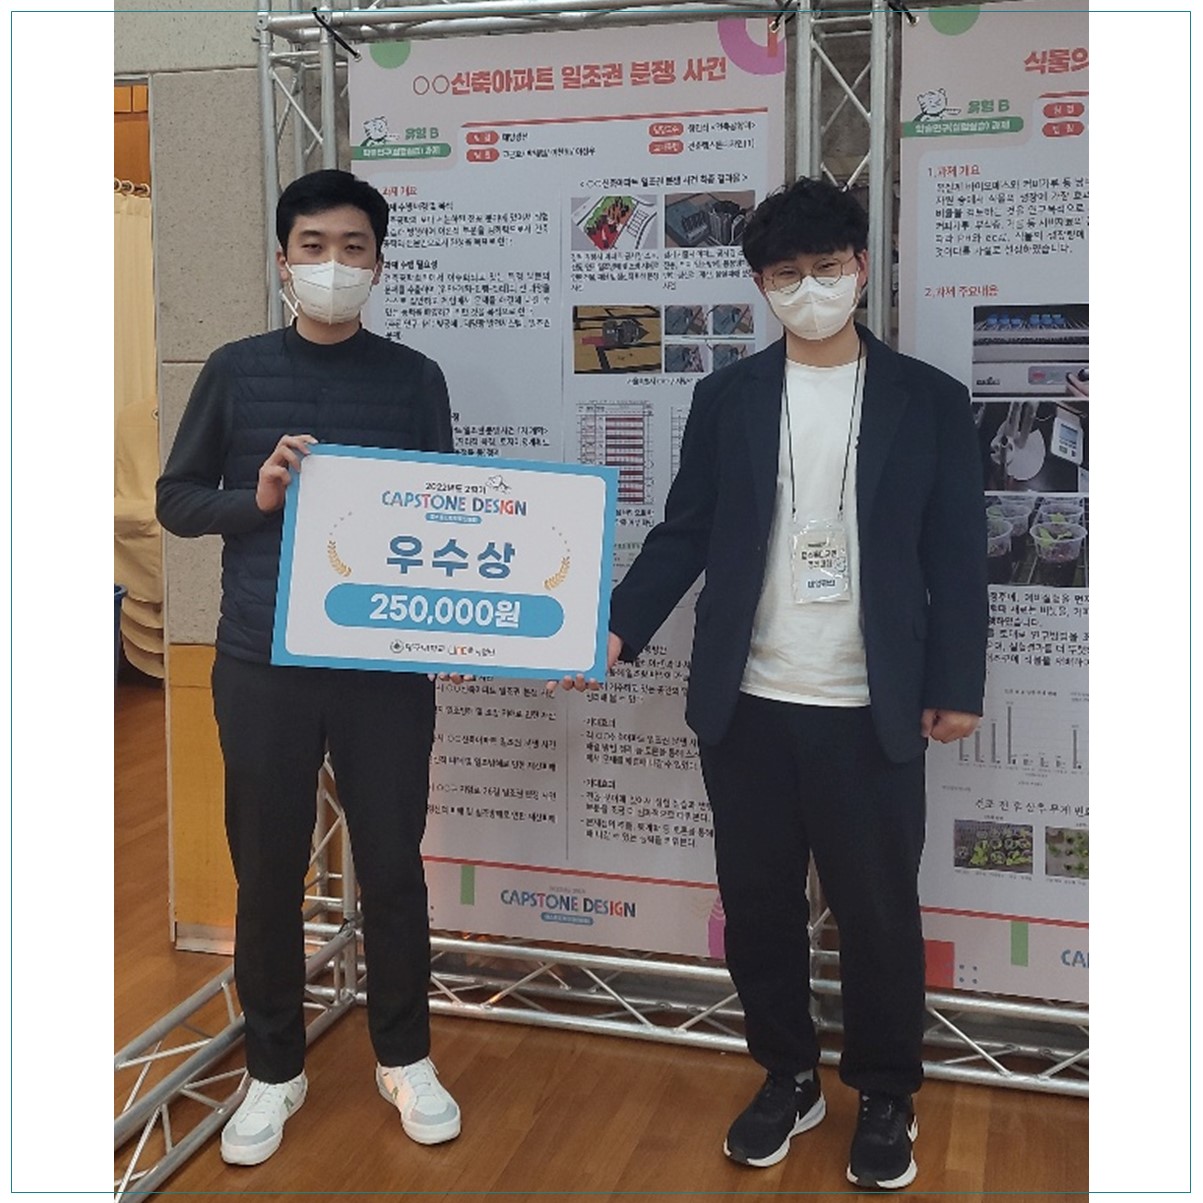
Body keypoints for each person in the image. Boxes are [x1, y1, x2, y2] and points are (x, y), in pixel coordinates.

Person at [556, 177, 987, 1190]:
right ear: (761, 285)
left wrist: (956, 679)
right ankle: (787, 1074)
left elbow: (957, 555)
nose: (809, 289)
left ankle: (885, 1090)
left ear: (861, 268)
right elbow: (686, 532)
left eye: (826, 268)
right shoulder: (729, 397)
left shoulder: (929, 399)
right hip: (747, 703)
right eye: (787, 275)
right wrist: (614, 627)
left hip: (871, 706)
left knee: (878, 913)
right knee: (757, 907)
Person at [156, 169, 460, 1167]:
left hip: (384, 668)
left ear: (379, 263)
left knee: (394, 866)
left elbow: (445, 513)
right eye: (314, 247)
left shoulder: (414, 378)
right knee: (268, 869)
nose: (334, 265)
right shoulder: (235, 371)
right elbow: (176, 500)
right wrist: (257, 498)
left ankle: (404, 1057)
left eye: (354, 248)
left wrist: (467, 630)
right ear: (284, 261)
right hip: (262, 661)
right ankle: (273, 1067)